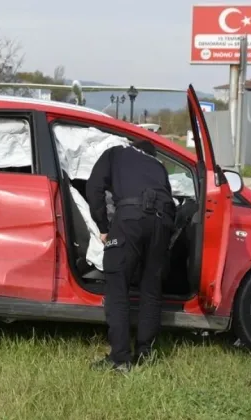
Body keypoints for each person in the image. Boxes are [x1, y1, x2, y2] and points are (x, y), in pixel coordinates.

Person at [85, 139, 176, 372]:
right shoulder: (159, 166)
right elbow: (171, 203)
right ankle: (146, 353)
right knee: (151, 289)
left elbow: (94, 187)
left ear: (132, 146)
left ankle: (120, 359)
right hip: (162, 221)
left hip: (130, 218)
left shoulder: (116, 153)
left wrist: (103, 227)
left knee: (117, 287)